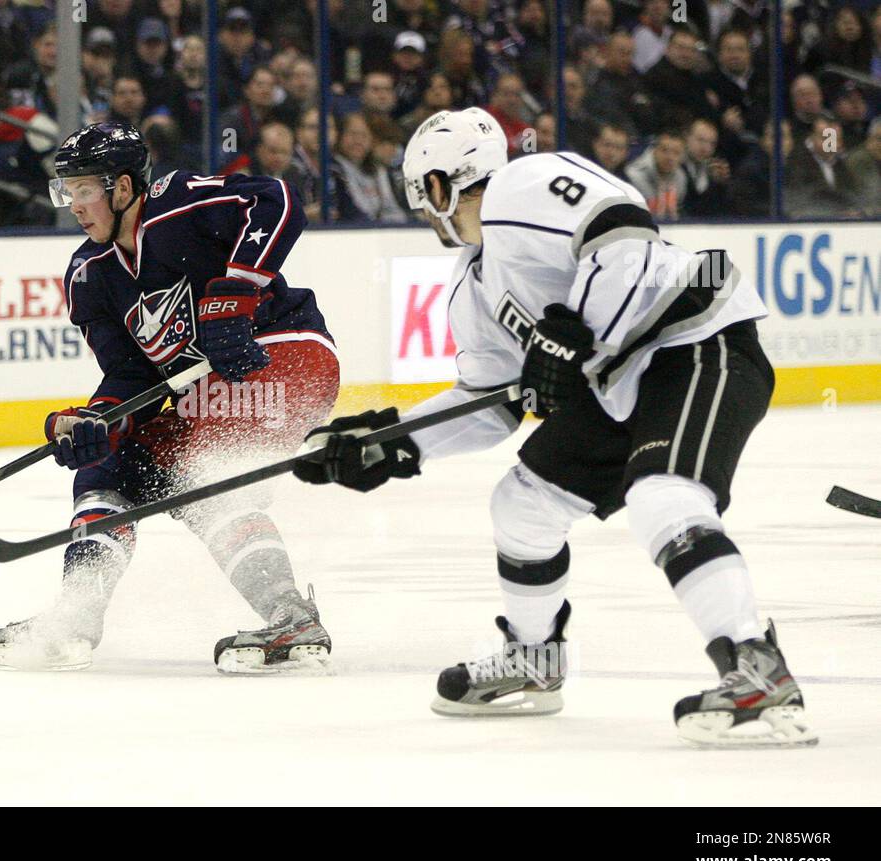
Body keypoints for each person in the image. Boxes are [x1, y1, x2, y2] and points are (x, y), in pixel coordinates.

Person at [293, 107, 816, 749]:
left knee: (665, 496)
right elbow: (493, 401)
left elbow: (624, 228)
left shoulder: (524, 184)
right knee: (522, 505)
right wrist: (385, 442)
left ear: (436, 186)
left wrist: (573, 331)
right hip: (620, 380)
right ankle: (535, 659)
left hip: (695, 343)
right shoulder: (470, 286)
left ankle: (755, 666)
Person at [0, 122, 339, 673]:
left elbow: (276, 199)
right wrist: (98, 420)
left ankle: (291, 615)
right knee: (109, 468)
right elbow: (133, 377)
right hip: (205, 388)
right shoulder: (88, 274)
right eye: (67, 191)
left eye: (84, 190)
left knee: (205, 476)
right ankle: (78, 612)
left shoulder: (177, 205)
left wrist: (240, 290)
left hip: (283, 352)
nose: (74, 206)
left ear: (122, 188)